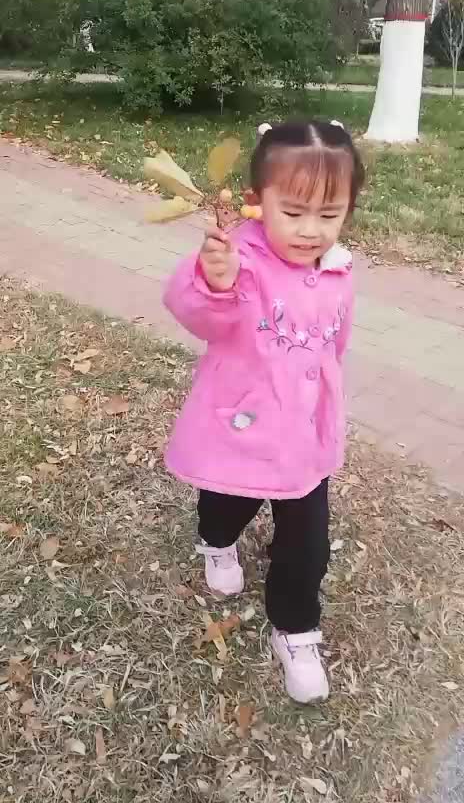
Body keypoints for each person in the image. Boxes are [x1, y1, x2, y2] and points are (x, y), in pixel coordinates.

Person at [163, 120, 365, 704]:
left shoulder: (338, 268)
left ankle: (296, 629)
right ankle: (216, 540)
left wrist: (326, 398)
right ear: (256, 201)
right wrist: (213, 282)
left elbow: (336, 342)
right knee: (227, 501)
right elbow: (197, 314)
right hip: (244, 425)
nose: (310, 230)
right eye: (293, 212)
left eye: (329, 214)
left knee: (308, 541)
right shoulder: (237, 260)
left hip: (304, 437)